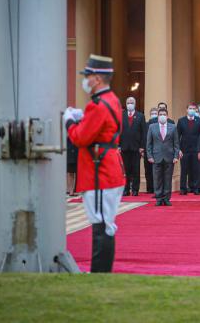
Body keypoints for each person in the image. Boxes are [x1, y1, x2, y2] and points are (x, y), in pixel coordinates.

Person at [65, 54, 126, 273]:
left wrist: (69, 122)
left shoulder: (98, 105)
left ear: (97, 79)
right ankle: (101, 272)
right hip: (108, 169)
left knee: (101, 224)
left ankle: (100, 273)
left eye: (88, 75)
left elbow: (80, 138)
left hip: (100, 171)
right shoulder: (112, 100)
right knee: (105, 224)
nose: (86, 80)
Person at [146, 108, 180, 206]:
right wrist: (149, 156)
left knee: (168, 179)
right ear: (158, 116)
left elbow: (176, 144)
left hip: (169, 157)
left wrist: (176, 156)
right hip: (156, 157)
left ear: (167, 116)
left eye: (164, 114)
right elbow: (149, 144)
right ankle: (158, 198)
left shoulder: (173, 127)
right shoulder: (152, 127)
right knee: (157, 179)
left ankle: (166, 198)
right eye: (160, 114)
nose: (162, 116)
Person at [119, 96, 146, 196]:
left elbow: (144, 133)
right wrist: (118, 145)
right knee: (125, 170)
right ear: (126, 104)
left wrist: (142, 147)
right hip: (124, 147)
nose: (130, 104)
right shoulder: (121, 115)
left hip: (136, 148)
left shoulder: (140, 116)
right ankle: (126, 189)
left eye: (131, 102)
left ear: (134, 104)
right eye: (128, 102)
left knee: (135, 170)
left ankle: (135, 189)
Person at [177, 103, 200, 195]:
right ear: (187, 109)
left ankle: (196, 188)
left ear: (196, 110)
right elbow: (177, 136)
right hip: (184, 150)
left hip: (196, 150)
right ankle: (183, 188)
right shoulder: (181, 121)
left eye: (193, 108)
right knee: (184, 170)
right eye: (190, 108)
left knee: (196, 170)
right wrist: (178, 149)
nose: (191, 110)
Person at [143, 107, 159, 195]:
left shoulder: (159, 125)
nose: (154, 115)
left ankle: (157, 188)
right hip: (147, 150)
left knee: (156, 171)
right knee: (148, 170)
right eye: (152, 113)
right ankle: (149, 188)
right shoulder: (146, 124)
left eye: (155, 113)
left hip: (157, 150)